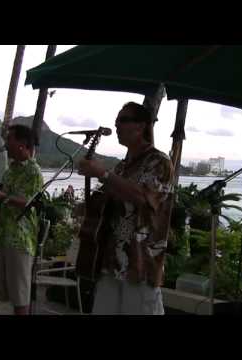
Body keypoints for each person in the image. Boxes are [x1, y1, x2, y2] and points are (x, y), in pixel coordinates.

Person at [78, 102, 174, 315]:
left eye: (122, 120)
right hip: (112, 260)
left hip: (142, 261)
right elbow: (108, 202)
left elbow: (144, 197)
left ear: (141, 126)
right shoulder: (122, 166)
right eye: (116, 121)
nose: (117, 126)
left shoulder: (160, 161)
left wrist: (103, 173)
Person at [0, 125, 43, 315]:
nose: (6, 143)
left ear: (22, 144)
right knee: (7, 294)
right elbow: (3, 195)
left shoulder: (33, 171)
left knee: (20, 297)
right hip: (4, 234)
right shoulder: (10, 170)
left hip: (20, 239)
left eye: (10, 139)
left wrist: (2, 196)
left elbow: (28, 201)